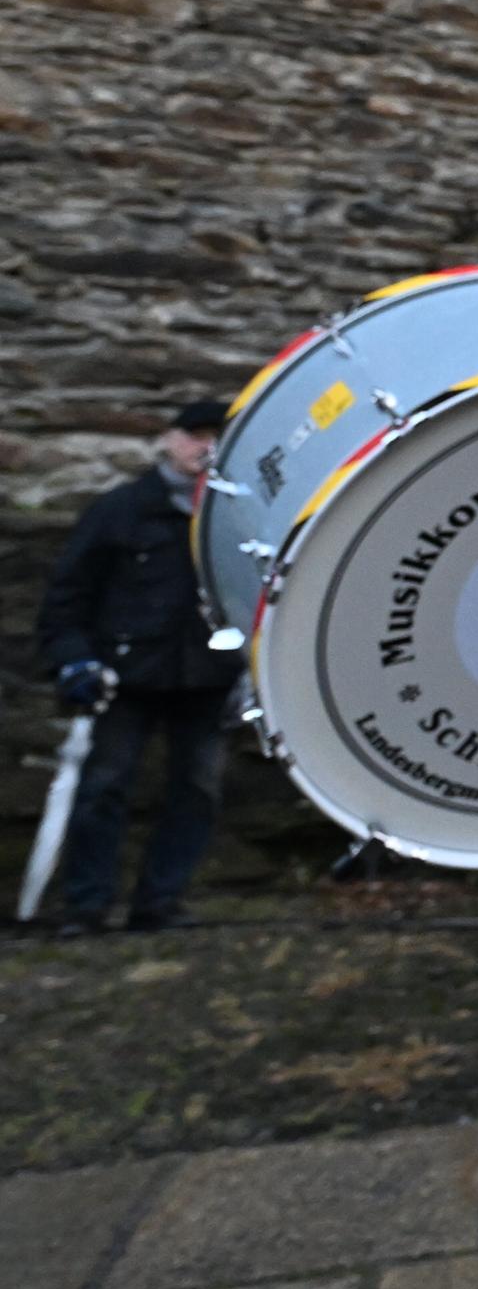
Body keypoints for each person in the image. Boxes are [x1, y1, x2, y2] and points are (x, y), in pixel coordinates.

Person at [37, 400, 235, 936]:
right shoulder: (119, 511)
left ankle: (160, 903)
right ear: (169, 440)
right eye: (196, 435)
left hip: (207, 680)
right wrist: (74, 660)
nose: (207, 447)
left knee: (197, 790)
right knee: (104, 786)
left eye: (219, 436)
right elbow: (68, 596)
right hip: (122, 678)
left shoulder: (238, 517)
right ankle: (86, 905)